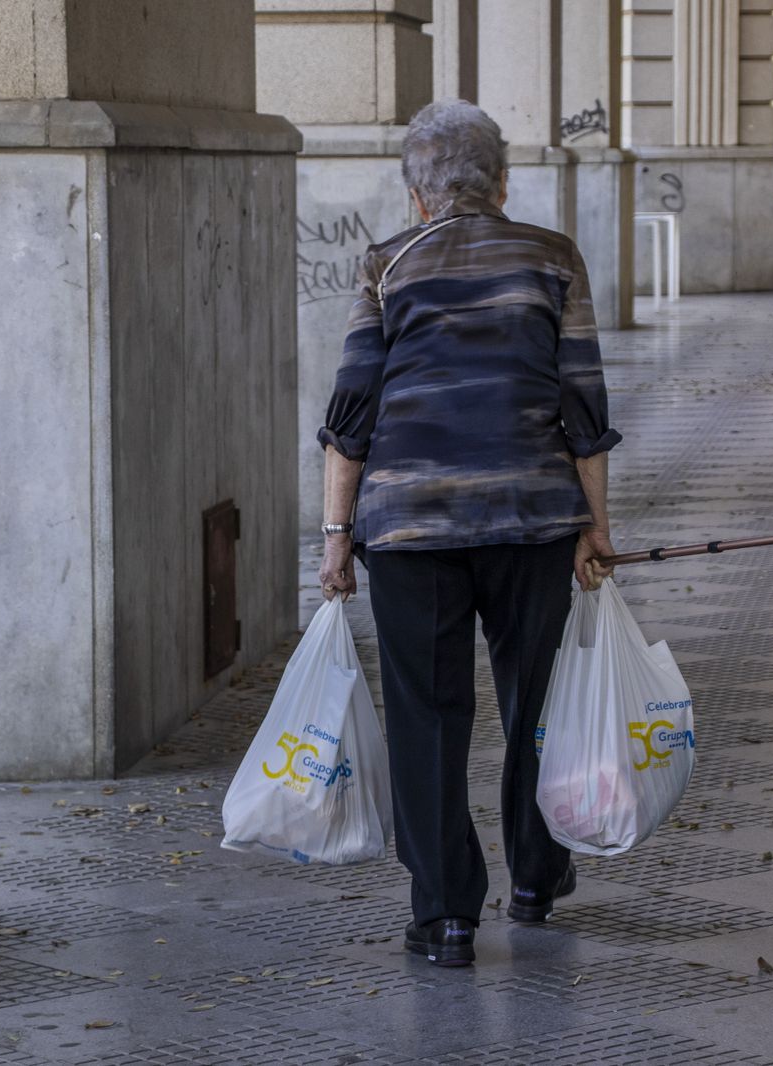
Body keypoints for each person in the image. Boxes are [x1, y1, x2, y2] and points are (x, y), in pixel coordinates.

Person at [316, 100, 621, 968]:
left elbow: (351, 419)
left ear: (418, 195)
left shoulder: (387, 265)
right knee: (535, 704)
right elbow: (584, 408)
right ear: (503, 182)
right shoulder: (553, 259)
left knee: (428, 715)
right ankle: (534, 877)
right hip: (531, 517)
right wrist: (595, 528)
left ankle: (446, 915)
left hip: (410, 528)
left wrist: (337, 535)